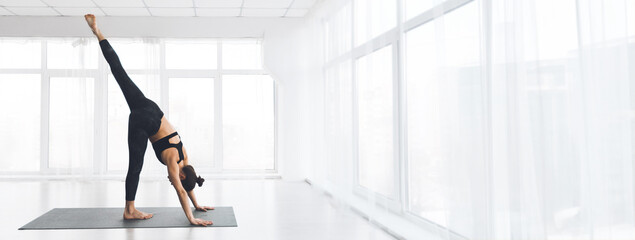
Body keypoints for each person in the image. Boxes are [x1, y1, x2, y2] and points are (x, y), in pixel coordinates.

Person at [84, 14, 214, 226]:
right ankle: (129, 210)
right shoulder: (173, 161)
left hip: (151, 107)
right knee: (135, 167)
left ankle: (98, 32)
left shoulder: (185, 156)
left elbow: (188, 184)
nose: (174, 182)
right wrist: (192, 217)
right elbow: (182, 190)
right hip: (143, 122)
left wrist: (197, 204)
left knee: (119, 72)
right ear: (181, 175)